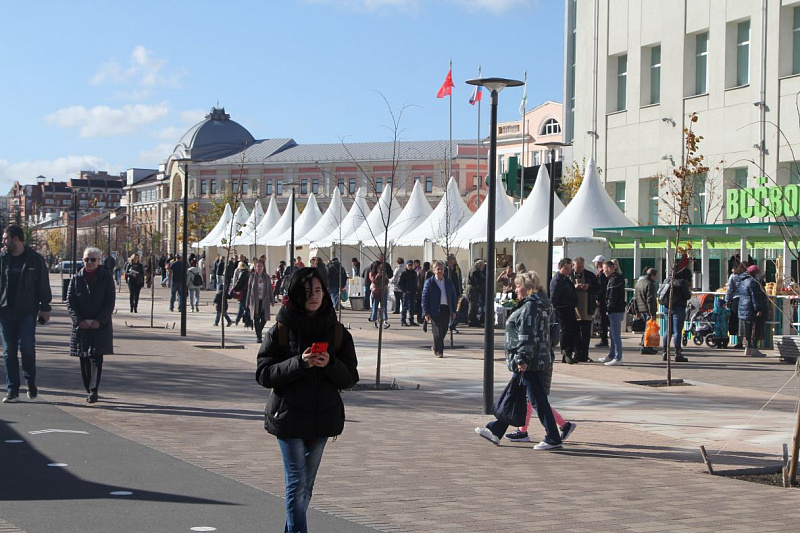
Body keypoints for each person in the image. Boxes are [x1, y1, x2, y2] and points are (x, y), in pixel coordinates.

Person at [255, 267, 359, 533]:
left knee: (305, 486)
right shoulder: (281, 328)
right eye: (307, 292)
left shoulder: (337, 332)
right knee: (296, 484)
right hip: (289, 418)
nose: (313, 296)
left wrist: (329, 363)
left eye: (318, 291)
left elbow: (349, 378)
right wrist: (299, 363)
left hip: (322, 420)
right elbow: (264, 374)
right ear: (295, 295)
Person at [475, 271, 563, 450]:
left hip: (531, 361)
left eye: (518, 286)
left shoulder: (531, 307)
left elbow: (527, 335)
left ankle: (553, 437)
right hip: (535, 358)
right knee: (516, 394)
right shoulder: (539, 304)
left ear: (528, 288)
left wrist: (522, 358)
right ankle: (496, 430)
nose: (515, 289)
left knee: (537, 399)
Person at [0, 225, 52, 403]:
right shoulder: (2, 258)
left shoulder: (34, 259)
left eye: (5, 238)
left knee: (27, 349)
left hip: (27, 312)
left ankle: (30, 383)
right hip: (5, 312)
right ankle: (12, 390)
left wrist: (45, 308)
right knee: (9, 352)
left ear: (16, 239)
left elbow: (43, 284)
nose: (3, 241)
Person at [67, 247, 115, 403]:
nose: (89, 262)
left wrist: (99, 320)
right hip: (81, 325)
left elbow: (109, 302)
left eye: (93, 259)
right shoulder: (77, 278)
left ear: (99, 261)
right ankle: (89, 388)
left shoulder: (106, 277)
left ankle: (94, 390)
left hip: (99, 325)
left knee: (96, 357)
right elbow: (71, 301)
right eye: (86, 259)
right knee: (84, 358)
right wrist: (78, 320)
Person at [421, 260, 457, 358]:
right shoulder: (430, 282)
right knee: (437, 331)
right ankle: (439, 351)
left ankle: (435, 346)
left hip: (446, 308)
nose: (440, 271)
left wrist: (453, 310)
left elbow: (453, 296)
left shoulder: (448, 282)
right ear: (434, 270)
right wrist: (426, 313)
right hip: (434, 309)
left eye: (442, 269)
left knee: (444, 329)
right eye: (438, 269)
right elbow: (424, 298)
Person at [549, 258, 578, 364]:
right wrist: (556, 307)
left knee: (571, 331)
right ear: (560, 267)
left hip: (569, 307)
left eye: (570, 268)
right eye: (566, 268)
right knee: (565, 331)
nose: (568, 270)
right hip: (562, 308)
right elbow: (554, 296)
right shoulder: (557, 279)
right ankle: (565, 352)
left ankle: (568, 352)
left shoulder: (566, 278)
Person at [570, 256, 599, 362]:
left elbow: (597, 289)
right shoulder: (569, 275)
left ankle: (585, 354)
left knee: (586, 333)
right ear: (573, 265)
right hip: (573, 308)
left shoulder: (590, 275)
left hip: (587, 308)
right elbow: (564, 288)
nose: (580, 269)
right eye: (578, 267)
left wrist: (588, 287)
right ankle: (577, 353)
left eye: (582, 267)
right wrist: (574, 286)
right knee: (575, 332)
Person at [662, 266, 692, 362]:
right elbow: (687, 296)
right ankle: (677, 353)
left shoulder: (667, 280)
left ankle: (665, 352)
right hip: (679, 308)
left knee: (668, 330)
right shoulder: (682, 282)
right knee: (677, 331)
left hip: (667, 307)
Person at [599, 260, 626, 366]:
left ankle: (618, 357)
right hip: (615, 310)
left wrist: (608, 307)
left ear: (609, 268)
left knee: (615, 335)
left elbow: (612, 296)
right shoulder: (614, 278)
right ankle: (612, 355)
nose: (604, 272)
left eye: (605, 269)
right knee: (613, 334)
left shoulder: (614, 280)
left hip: (615, 310)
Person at [738, 265, 767, 357]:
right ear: (754, 274)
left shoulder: (743, 281)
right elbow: (755, 297)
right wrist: (758, 308)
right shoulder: (753, 282)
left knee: (748, 329)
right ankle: (754, 348)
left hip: (744, 308)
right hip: (751, 308)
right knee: (755, 328)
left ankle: (748, 348)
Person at [247, 260, 273, 344]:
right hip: (255, 301)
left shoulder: (267, 277)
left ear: (263, 268)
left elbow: (270, 290)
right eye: (257, 266)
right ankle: (259, 336)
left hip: (264, 301)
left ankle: (259, 331)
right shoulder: (252, 277)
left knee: (264, 319)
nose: (259, 268)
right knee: (256, 318)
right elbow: (249, 290)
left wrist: (272, 300)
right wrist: (247, 302)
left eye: (260, 266)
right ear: (255, 267)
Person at [634, 267, 659, 354]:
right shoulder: (650, 284)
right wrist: (652, 312)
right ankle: (646, 346)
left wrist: (636, 310)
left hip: (641, 309)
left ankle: (645, 344)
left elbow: (635, 298)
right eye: (655, 276)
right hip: (648, 309)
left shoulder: (639, 283)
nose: (656, 278)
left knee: (646, 328)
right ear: (652, 275)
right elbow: (650, 300)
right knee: (649, 329)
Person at [725, 262, 747, 349]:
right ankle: (743, 341)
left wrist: (727, 300)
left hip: (735, 300)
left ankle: (739, 342)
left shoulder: (733, 277)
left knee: (735, 320)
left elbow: (729, 289)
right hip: (745, 300)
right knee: (743, 321)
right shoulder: (746, 276)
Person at [592, 255, 609, 347]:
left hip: (601, 300)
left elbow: (601, 288)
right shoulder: (603, 274)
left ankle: (604, 339)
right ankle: (603, 338)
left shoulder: (601, 275)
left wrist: (598, 298)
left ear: (598, 263)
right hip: (603, 299)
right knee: (602, 319)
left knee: (602, 320)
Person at [368, 260, 390, 328]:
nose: (381, 267)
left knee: (384, 307)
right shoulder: (372, 273)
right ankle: (374, 321)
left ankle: (384, 321)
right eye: (379, 266)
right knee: (375, 306)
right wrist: (378, 275)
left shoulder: (384, 273)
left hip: (383, 291)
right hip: (376, 292)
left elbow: (387, 281)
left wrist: (384, 276)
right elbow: (374, 281)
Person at [465, 259, 486, 327]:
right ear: (479, 265)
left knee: (474, 305)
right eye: (482, 266)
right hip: (473, 290)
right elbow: (476, 281)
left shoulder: (474, 270)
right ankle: (472, 320)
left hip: (474, 289)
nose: (483, 268)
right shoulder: (475, 271)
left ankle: (473, 319)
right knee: (473, 305)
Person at [398, 260, 419, 327]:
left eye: (411, 265)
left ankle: (411, 320)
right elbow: (399, 284)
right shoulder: (404, 273)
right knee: (404, 307)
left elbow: (415, 282)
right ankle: (403, 321)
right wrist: (405, 290)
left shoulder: (414, 272)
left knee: (412, 307)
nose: (410, 266)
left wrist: (416, 290)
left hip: (413, 292)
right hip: (406, 292)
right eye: (409, 265)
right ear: (406, 265)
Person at [230, 261, 251, 326]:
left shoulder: (242, 273)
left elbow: (239, 282)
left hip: (242, 291)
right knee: (241, 307)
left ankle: (248, 322)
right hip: (246, 291)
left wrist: (233, 288)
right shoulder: (248, 273)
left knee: (244, 307)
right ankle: (237, 320)